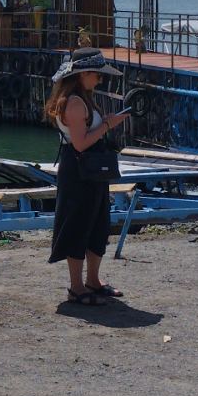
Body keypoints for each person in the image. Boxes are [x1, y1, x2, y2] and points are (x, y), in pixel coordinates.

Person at [44, 47, 131, 305]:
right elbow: (80, 144)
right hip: (80, 168)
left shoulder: (81, 98)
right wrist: (107, 124)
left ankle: (92, 280)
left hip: (90, 168)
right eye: (97, 74)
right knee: (79, 223)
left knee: (97, 222)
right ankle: (76, 286)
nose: (100, 79)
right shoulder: (73, 102)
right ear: (83, 75)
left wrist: (103, 122)